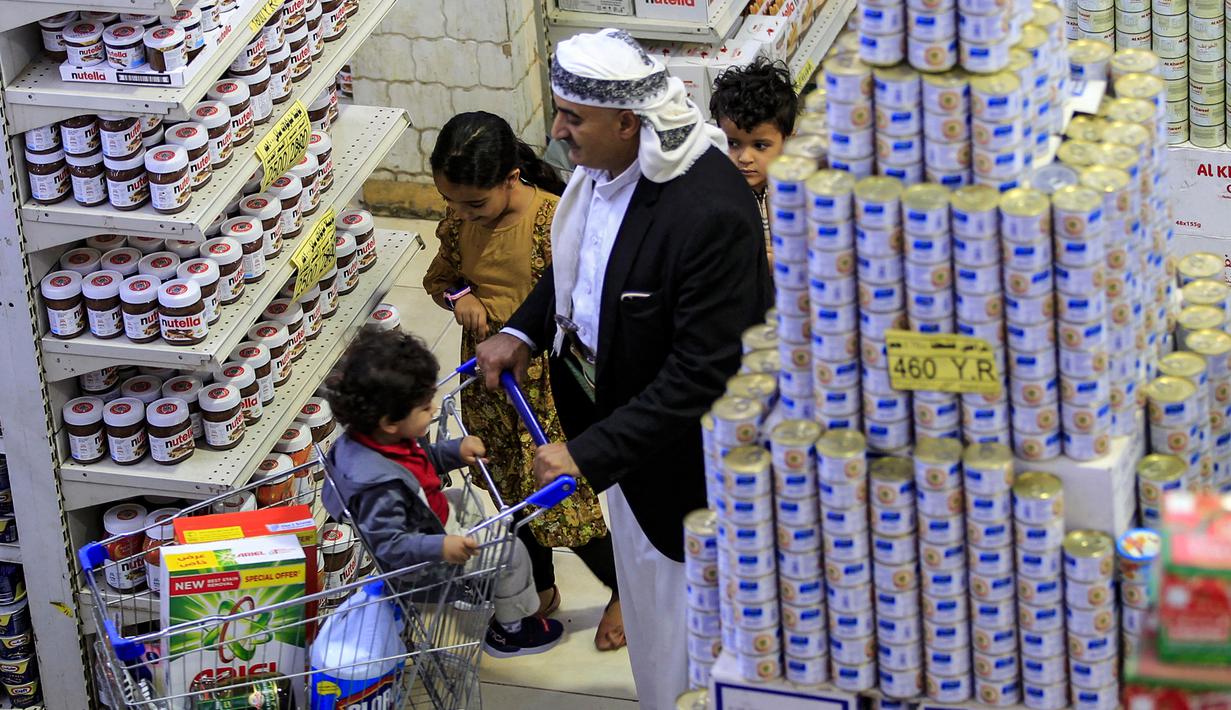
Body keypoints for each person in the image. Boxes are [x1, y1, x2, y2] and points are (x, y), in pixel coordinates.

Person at [475, 29, 773, 708]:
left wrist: (588, 451)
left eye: (571, 117)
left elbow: (704, 372)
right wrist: (523, 328)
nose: (557, 133)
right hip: (621, 439)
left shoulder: (705, 212)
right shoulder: (605, 169)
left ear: (626, 120)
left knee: (680, 617)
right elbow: (583, 266)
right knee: (643, 596)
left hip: (680, 467)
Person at [422, 111, 626, 651]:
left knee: (562, 497)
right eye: (454, 203)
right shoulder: (459, 220)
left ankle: (622, 586)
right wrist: (459, 298)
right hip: (488, 384)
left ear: (512, 177)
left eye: (474, 204)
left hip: (545, 385)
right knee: (506, 489)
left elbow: (586, 298)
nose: (462, 214)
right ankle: (540, 586)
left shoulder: (553, 222)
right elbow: (440, 277)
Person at [322, 327, 565, 658]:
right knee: (511, 554)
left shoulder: (377, 439)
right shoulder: (379, 488)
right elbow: (390, 545)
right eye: (424, 407)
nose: (434, 409)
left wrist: (453, 452)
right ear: (389, 421)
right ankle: (511, 630)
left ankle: (475, 583)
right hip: (421, 558)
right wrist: (442, 545)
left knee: (463, 500)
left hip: (425, 516)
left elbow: (419, 465)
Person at [709, 58, 799, 262]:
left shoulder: (801, 188)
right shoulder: (715, 195)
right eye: (732, 143)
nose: (745, 158)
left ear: (788, 142)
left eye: (760, 146)